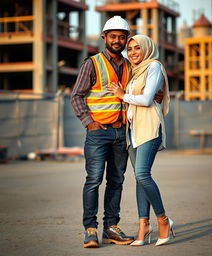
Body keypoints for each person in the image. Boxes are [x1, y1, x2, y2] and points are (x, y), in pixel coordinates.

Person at [70, 16, 134, 248]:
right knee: (94, 180)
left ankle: (111, 227)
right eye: (113, 36)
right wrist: (89, 122)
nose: (117, 40)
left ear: (127, 39)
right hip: (98, 133)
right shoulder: (92, 63)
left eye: (122, 36)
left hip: (121, 133)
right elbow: (76, 95)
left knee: (116, 181)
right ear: (104, 37)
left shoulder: (129, 65)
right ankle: (90, 229)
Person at [107, 35, 175, 246]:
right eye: (130, 48)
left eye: (138, 48)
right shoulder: (134, 72)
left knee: (142, 174)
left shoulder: (153, 66)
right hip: (133, 130)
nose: (134, 52)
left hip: (149, 127)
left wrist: (121, 94)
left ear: (146, 48)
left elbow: (146, 100)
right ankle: (143, 226)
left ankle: (163, 220)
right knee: (139, 178)